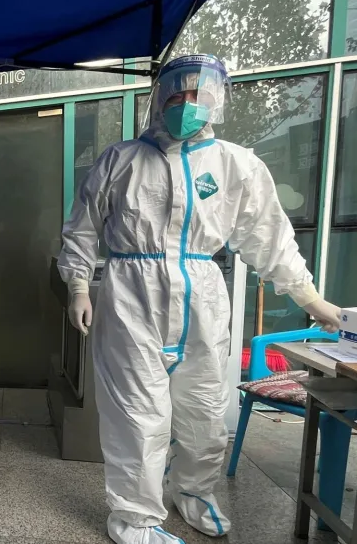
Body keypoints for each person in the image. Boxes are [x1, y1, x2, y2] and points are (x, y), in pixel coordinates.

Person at [58, 54, 342, 544]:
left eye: (199, 95)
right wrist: (78, 286)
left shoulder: (236, 164)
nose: (187, 104)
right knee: (137, 413)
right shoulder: (120, 160)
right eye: (177, 93)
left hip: (202, 296)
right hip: (130, 295)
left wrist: (310, 297)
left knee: (205, 407)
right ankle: (133, 518)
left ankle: (192, 490)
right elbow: (82, 228)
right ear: (159, 99)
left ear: (216, 101)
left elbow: (269, 237)